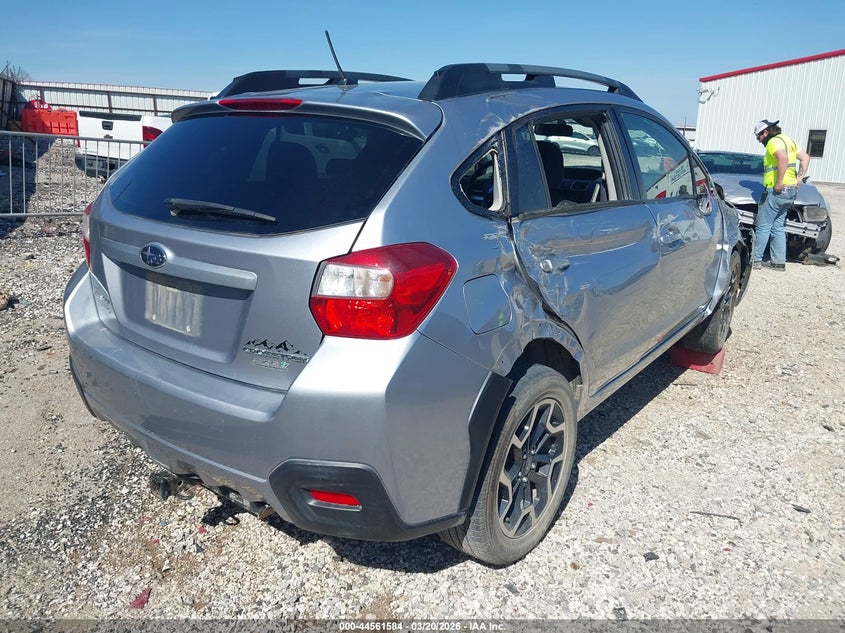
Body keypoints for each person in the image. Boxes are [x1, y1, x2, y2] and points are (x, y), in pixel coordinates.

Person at [751, 119, 811, 270]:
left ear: (765, 132)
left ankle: (755, 260)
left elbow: (783, 158)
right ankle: (778, 262)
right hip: (790, 190)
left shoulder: (773, 142)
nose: (758, 140)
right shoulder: (789, 141)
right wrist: (799, 178)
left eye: (758, 136)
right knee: (778, 226)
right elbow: (805, 157)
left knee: (763, 226)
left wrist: (778, 182)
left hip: (777, 189)